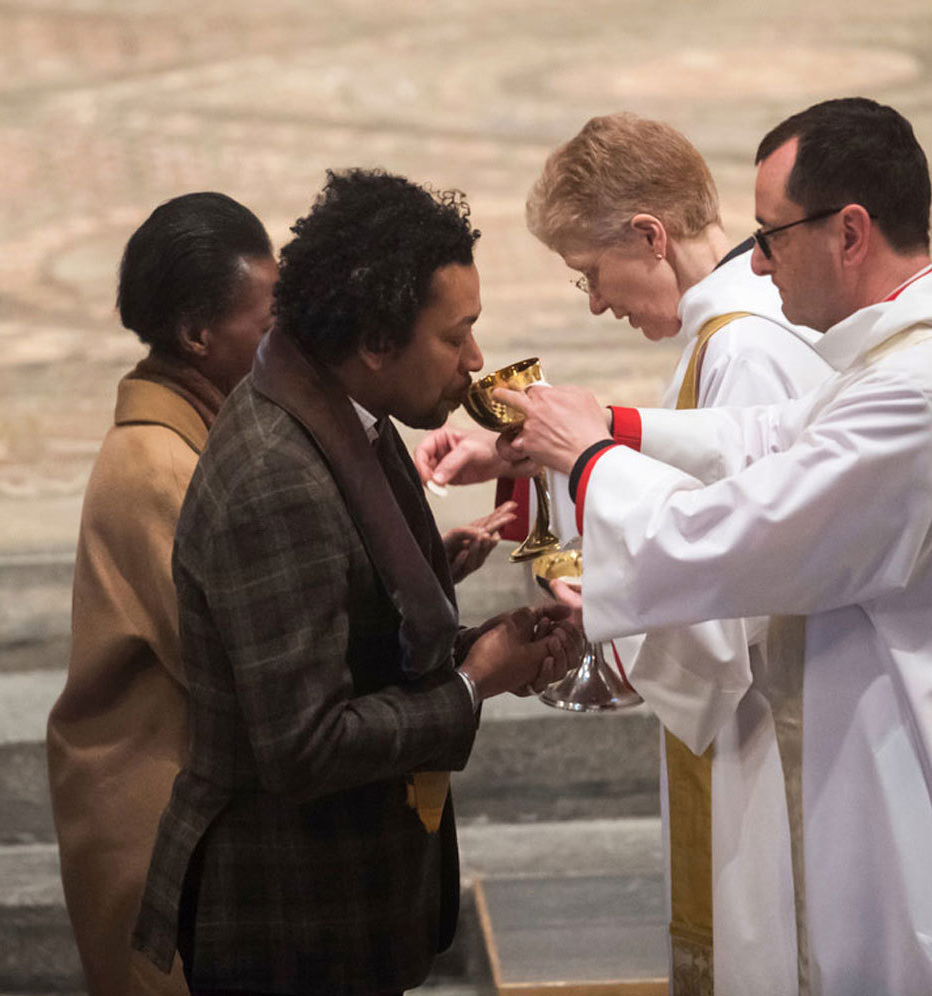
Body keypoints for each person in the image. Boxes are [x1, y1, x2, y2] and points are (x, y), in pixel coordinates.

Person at [495, 98, 932, 995]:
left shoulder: (918, 396)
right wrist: (615, 427)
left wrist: (590, 459)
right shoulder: (916, 351)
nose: (758, 258)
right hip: (926, 745)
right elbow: (770, 438)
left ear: (849, 232)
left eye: (772, 234)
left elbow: (741, 529)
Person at [131, 169, 580, 996]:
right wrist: (473, 683)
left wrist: (478, 647)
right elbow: (304, 745)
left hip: (350, 900)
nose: (477, 363)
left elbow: (362, 636)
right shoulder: (278, 474)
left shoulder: (344, 414)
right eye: (456, 336)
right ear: (376, 341)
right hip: (287, 918)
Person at [415, 113, 830, 995]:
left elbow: (740, 588)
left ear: (649, 234)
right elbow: (688, 475)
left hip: (774, 732)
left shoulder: (747, 348)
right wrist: (525, 465)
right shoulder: (735, 330)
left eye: (590, 275)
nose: (598, 302)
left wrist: (606, 600)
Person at [47, 191, 278, 996]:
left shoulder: (197, 433)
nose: (283, 339)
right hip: (151, 825)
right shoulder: (156, 467)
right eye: (266, 320)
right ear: (196, 336)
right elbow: (232, 648)